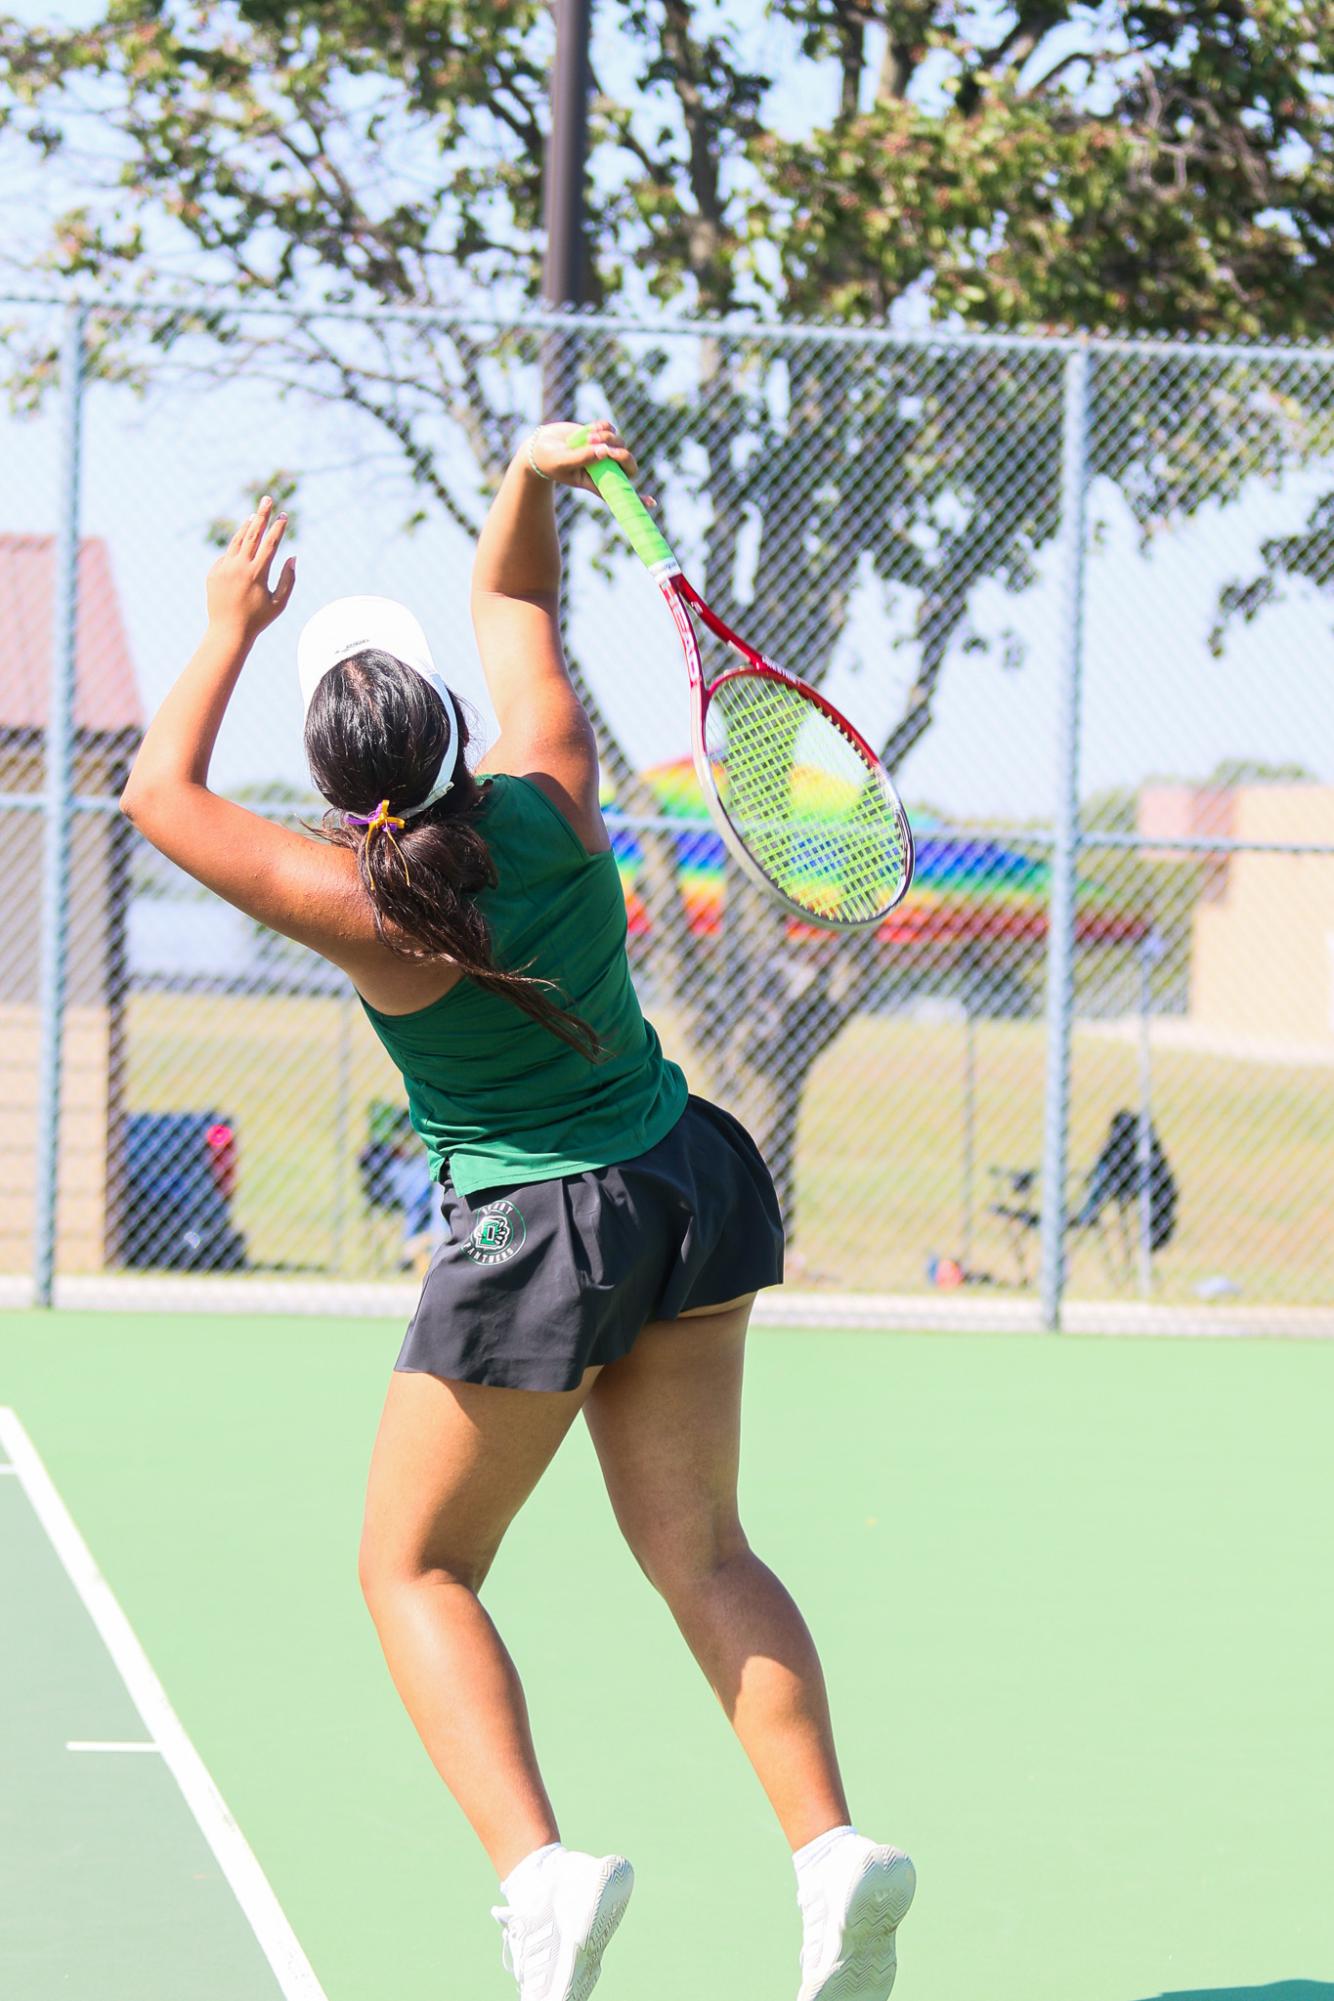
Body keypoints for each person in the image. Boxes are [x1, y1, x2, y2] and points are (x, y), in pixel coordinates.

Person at [119, 420, 916, 2001]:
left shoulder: (352, 903)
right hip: (684, 1181)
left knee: (411, 1566)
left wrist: (226, 623)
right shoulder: (554, 795)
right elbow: (519, 607)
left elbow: (157, 791)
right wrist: (530, 477)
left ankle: (542, 1875)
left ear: (345, 800)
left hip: (537, 1237)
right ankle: (831, 1849)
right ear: (456, 731)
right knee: (702, 1551)